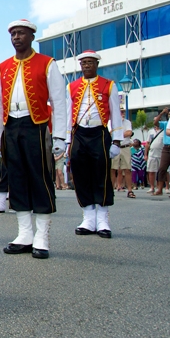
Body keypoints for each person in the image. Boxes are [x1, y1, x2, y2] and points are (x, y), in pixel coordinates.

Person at [0, 19, 67, 259]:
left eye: (21, 33)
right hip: (11, 125)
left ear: (32, 36)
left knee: (40, 177)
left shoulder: (47, 64)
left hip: (37, 125)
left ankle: (42, 236)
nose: (16, 37)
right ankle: (25, 234)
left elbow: (59, 101)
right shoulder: (2, 67)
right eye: (13, 34)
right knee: (17, 179)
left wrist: (61, 136)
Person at [66, 50, 122, 238]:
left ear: (97, 64)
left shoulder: (109, 85)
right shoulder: (71, 87)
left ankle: (103, 218)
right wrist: (66, 140)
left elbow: (115, 114)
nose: (87, 65)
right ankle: (88, 217)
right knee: (80, 174)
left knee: (101, 174)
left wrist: (116, 140)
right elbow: (68, 115)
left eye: (90, 62)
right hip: (79, 133)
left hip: (99, 133)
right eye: (84, 63)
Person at [110, 108, 134, 197]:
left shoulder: (127, 122)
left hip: (125, 147)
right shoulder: (110, 122)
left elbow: (129, 132)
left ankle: (130, 190)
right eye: (121, 112)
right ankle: (111, 191)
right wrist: (121, 133)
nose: (122, 113)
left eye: (123, 112)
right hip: (114, 146)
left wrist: (117, 134)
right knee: (113, 169)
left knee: (127, 169)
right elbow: (109, 133)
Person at [153, 107, 170, 196]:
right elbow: (155, 123)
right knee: (162, 168)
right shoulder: (166, 124)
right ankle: (159, 189)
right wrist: (162, 113)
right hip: (167, 148)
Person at [145, 121, 163, 194]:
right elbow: (147, 143)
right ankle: (152, 187)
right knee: (151, 171)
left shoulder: (163, 131)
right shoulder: (150, 131)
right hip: (152, 154)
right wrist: (145, 154)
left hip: (161, 153)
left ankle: (159, 187)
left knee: (160, 172)